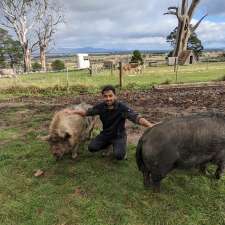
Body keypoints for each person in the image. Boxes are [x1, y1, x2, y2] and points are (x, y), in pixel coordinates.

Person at [64, 85, 154, 160]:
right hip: (106, 134)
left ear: (115, 96)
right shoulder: (101, 107)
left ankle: (121, 146)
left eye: (110, 96)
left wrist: (150, 125)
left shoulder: (122, 108)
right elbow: (86, 113)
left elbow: (136, 118)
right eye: (105, 96)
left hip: (119, 135)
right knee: (91, 148)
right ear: (103, 97)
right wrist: (72, 112)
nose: (108, 98)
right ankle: (109, 145)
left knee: (119, 156)